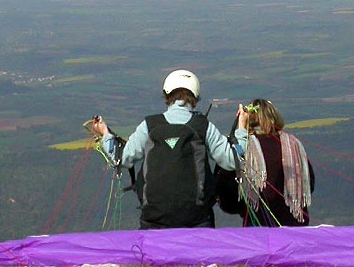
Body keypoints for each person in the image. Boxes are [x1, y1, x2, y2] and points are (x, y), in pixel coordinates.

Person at [90, 69, 248, 229]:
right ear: (195, 97)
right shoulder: (203, 126)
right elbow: (232, 160)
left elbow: (121, 159)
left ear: (166, 95)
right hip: (197, 219)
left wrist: (106, 134)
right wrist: (241, 129)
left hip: (154, 219)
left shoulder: (149, 125)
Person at [216, 98, 314, 227]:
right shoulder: (294, 145)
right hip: (295, 226)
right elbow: (309, 184)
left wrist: (241, 208)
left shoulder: (241, 148)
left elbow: (226, 191)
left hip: (257, 224)